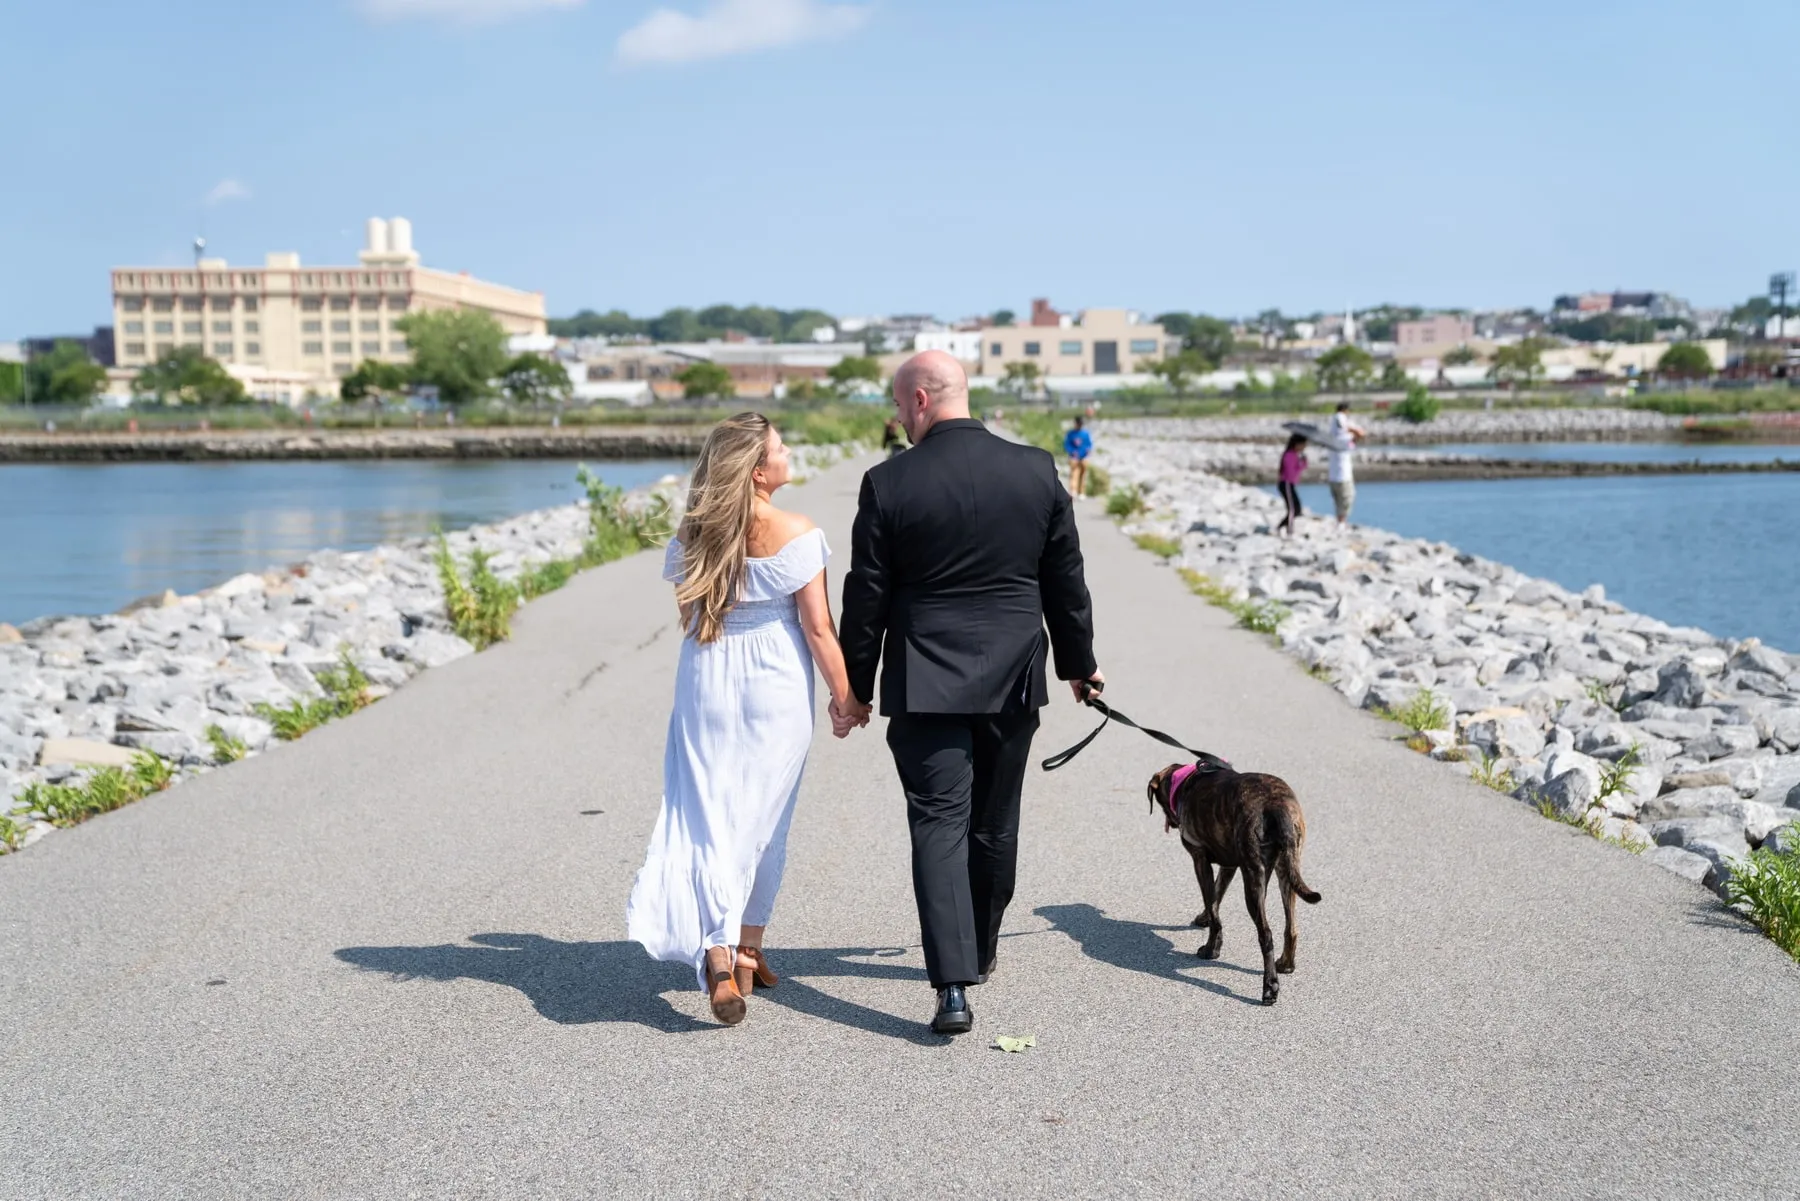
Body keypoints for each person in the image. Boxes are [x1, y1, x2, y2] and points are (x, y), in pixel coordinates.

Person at [840, 350, 1100, 1037]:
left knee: (937, 823)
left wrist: (853, 687)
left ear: (921, 399)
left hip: (925, 679)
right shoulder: (1034, 469)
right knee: (995, 820)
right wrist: (1080, 664)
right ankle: (982, 948)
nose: (896, 417)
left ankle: (953, 986)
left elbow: (866, 596)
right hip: (1014, 677)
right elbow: (1064, 578)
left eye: (898, 405)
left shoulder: (887, 482)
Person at [627, 412, 863, 1027]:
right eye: (781, 448)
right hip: (775, 682)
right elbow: (818, 628)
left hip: (705, 673)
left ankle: (723, 953)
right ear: (760, 472)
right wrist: (847, 699)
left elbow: (691, 612)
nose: (789, 453)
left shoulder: (694, 536)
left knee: (705, 811)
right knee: (764, 816)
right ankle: (744, 946)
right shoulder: (798, 532)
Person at [1326, 401, 1367, 526]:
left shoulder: (1331, 438)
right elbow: (1361, 434)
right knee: (1347, 498)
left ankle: (1340, 522)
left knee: (1338, 500)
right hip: (1344, 475)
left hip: (1332, 475)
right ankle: (1342, 523)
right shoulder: (1345, 439)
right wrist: (1352, 428)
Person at [1277, 433, 1306, 537]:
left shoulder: (1294, 455)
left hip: (1290, 484)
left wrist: (1302, 463)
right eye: (1303, 445)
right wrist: (1301, 464)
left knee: (1297, 508)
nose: (1304, 447)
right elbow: (1291, 473)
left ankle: (1282, 526)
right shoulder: (1289, 455)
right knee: (1292, 508)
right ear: (1297, 444)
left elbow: (1296, 470)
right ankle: (1289, 530)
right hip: (1286, 484)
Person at [1063, 415, 1093, 498]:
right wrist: (1072, 452)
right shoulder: (1071, 434)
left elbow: (1089, 444)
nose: (1079, 425)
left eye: (1081, 424)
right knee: (1074, 474)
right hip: (1074, 457)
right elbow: (1067, 445)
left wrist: (1088, 450)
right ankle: (1073, 490)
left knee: (1083, 474)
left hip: (1084, 456)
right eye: (1078, 423)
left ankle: (1081, 492)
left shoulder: (1085, 434)